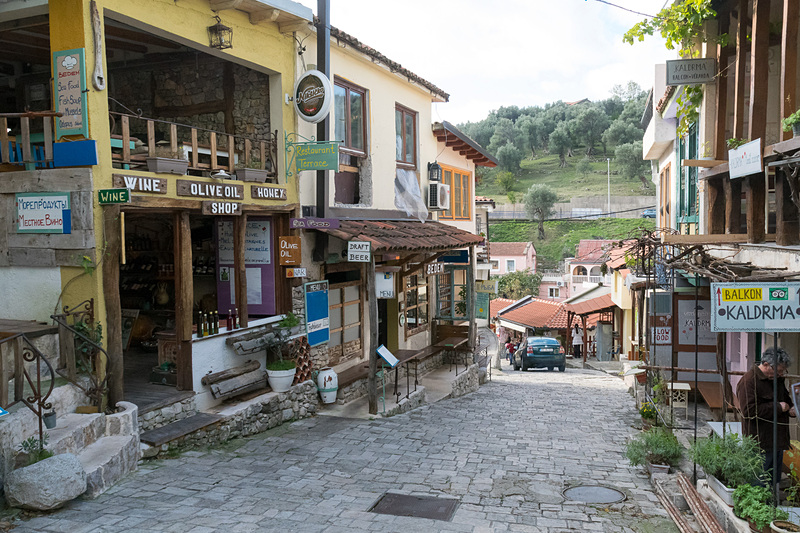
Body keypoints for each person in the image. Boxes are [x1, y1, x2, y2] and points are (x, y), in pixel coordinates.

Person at [736, 347, 797, 488]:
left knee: (772, 481)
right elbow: (748, 411)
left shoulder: (776, 379)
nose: (781, 374)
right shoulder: (749, 381)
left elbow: (785, 399)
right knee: (757, 483)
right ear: (766, 364)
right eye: (779, 370)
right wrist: (778, 407)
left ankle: (770, 507)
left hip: (777, 440)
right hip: (759, 442)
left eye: (783, 371)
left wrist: (791, 409)